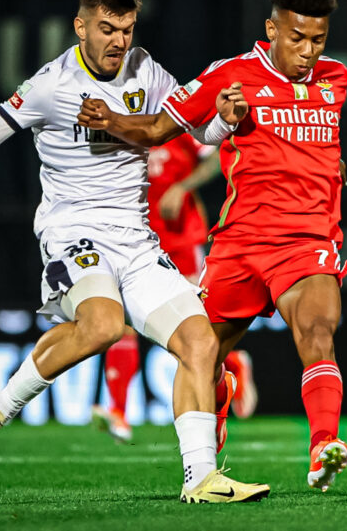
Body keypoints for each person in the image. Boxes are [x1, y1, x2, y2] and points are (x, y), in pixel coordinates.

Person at [0, 0, 268, 504]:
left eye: (126, 29)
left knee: (201, 342)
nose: (118, 41)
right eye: (106, 29)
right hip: (73, 232)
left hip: (136, 241)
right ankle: (2, 405)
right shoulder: (50, 85)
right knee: (100, 325)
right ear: (80, 26)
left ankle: (201, 478)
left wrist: (227, 122)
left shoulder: (146, 68)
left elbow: (199, 133)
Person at [78, 0, 347, 492]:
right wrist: (110, 119)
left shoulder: (335, 79)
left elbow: (326, 146)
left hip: (307, 242)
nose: (309, 51)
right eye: (297, 38)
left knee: (317, 333)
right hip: (241, 244)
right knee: (202, 352)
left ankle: (322, 449)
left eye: (318, 40)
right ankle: (211, 425)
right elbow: (159, 129)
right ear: (272, 29)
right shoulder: (233, 76)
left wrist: (335, 170)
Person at [92, 139, 258, 443]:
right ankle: (118, 412)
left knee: (196, 327)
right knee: (124, 324)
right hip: (137, 243)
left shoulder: (177, 119)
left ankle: (232, 363)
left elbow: (218, 158)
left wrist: (182, 187)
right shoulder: (124, 123)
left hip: (181, 239)